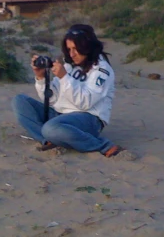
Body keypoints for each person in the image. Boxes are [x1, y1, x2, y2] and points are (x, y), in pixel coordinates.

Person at [12, 24, 122, 157]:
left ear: (88, 46)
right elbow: (52, 99)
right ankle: (48, 140)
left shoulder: (102, 70)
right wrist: (41, 78)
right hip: (61, 115)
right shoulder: (70, 66)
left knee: (50, 128)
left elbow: (84, 103)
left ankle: (103, 145)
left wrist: (64, 77)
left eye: (76, 49)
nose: (72, 54)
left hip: (88, 118)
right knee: (20, 101)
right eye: (69, 49)